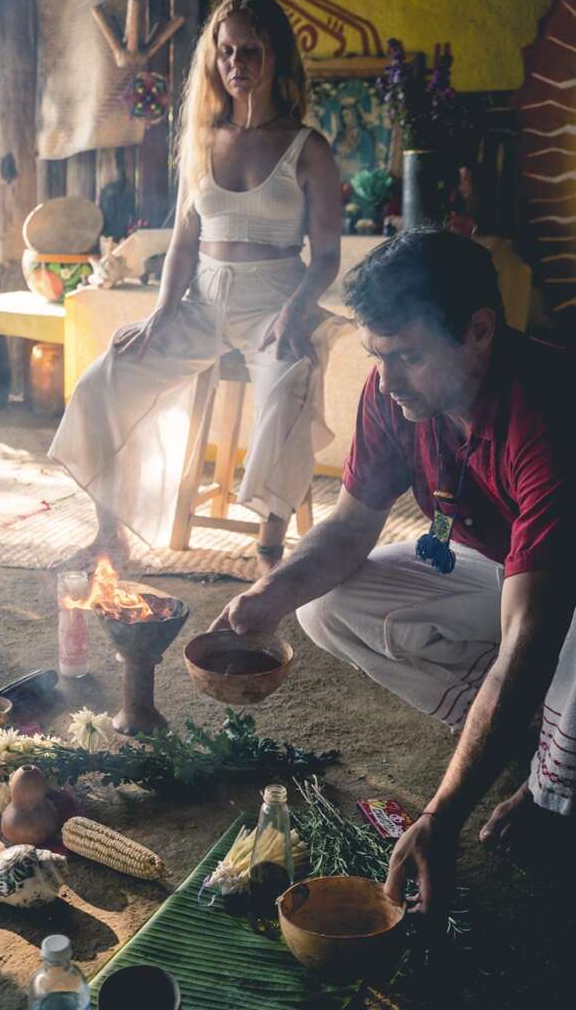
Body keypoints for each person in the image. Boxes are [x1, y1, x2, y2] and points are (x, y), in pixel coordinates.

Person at [212, 228, 576, 926]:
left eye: (407, 356)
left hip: (568, 587)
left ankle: (552, 784)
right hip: (504, 566)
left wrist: (443, 814)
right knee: (325, 604)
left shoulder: (550, 413)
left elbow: (532, 632)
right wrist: (268, 596)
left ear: (478, 331)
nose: (386, 381)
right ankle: (531, 735)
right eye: (377, 356)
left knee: (560, 648)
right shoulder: (394, 394)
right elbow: (349, 531)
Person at [49, 0, 341, 575]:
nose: (237, 64)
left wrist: (297, 310)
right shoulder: (204, 139)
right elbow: (184, 241)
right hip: (202, 302)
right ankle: (112, 535)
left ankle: (268, 550)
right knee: (110, 372)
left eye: (251, 51)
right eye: (226, 52)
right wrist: (162, 311)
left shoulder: (308, 148)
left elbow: (327, 256)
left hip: (275, 302)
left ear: (277, 56)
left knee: (290, 380)